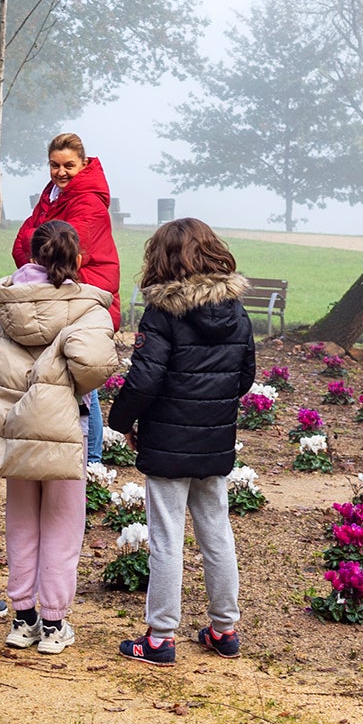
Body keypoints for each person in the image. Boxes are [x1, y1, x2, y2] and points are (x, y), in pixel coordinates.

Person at [0, 220, 117, 655]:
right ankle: (55, 623)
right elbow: (94, 364)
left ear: (31, 255)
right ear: (77, 259)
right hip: (63, 430)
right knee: (62, 525)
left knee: (22, 520)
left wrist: (1, 377)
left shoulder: (1, 301)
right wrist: (63, 382)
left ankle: (22, 619)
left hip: (15, 429)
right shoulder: (86, 307)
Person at [105, 218, 255, 663]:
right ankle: (224, 630)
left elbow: (145, 377)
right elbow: (245, 377)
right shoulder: (237, 310)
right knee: (217, 534)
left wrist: (122, 420)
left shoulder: (162, 312)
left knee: (167, 537)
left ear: (162, 258)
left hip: (167, 440)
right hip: (214, 440)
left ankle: (159, 638)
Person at [11, 132, 122, 458]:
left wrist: (39, 247)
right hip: (64, 289)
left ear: (84, 163)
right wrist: (39, 246)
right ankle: (79, 452)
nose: (61, 171)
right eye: (54, 165)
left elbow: (64, 246)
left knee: (84, 376)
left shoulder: (88, 200)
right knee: (71, 374)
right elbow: (27, 240)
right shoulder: (54, 194)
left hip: (88, 292)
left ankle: (92, 458)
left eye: (69, 165)